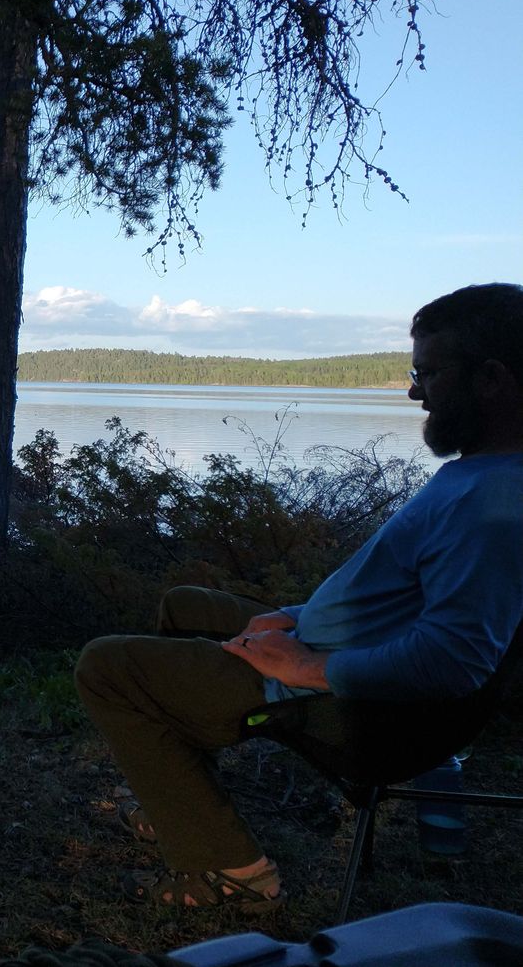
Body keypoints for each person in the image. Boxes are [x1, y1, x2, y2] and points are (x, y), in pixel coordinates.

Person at [74, 282, 523, 912]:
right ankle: (181, 791)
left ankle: (232, 870)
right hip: (338, 653)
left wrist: (306, 666)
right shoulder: (484, 477)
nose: (415, 393)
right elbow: (396, 599)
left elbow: (455, 660)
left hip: (356, 711)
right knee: (186, 604)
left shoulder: (494, 503)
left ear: (492, 379)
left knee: (106, 666)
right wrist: (293, 617)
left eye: (427, 374)